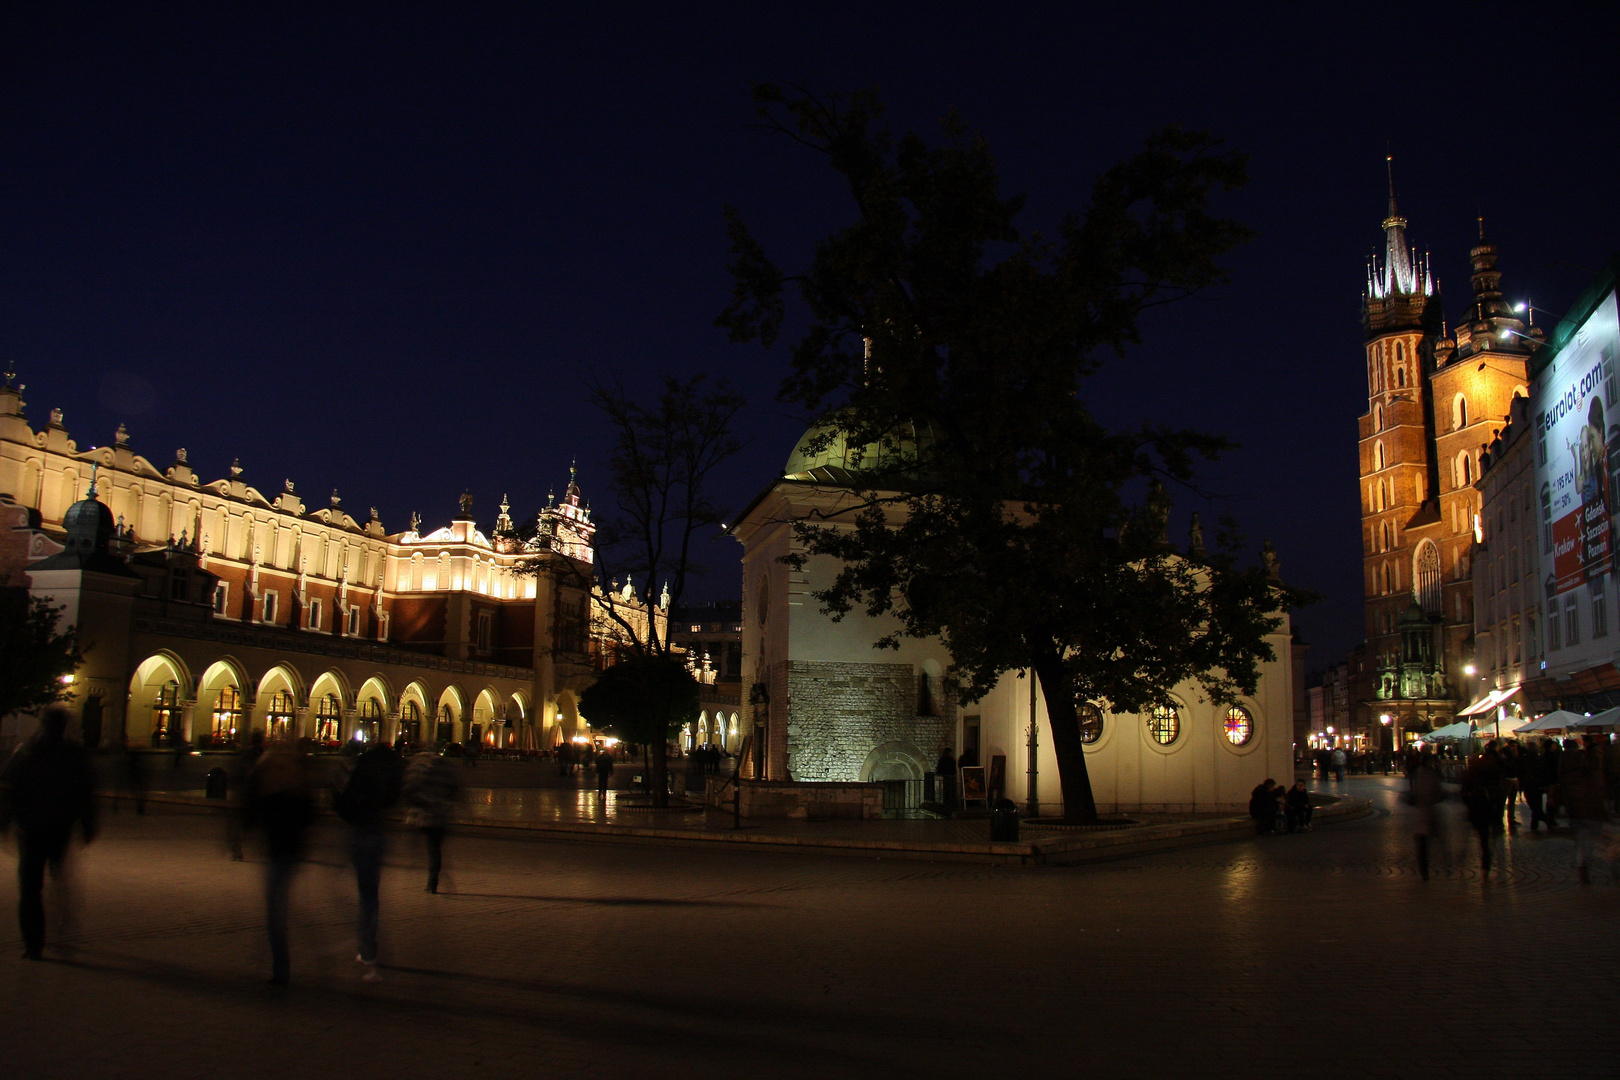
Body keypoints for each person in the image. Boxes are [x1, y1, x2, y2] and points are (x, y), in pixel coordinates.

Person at [0, 706, 98, 960]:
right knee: (56, 876)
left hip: (32, 827)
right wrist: (88, 823)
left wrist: (7, 820)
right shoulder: (72, 753)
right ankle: (60, 924)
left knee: (31, 886)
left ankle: (34, 944)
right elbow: (86, 791)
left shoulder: (28, 751)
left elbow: (11, 788)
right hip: (58, 825)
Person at [243, 740, 314, 984]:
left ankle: (279, 967)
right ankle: (278, 962)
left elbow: (251, 810)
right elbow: (310, 815)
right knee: (277, 905)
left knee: (275, 908)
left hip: (277, 851)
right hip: (292, 851)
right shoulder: (297, 779)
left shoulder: (269, 780)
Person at [333, 741, 403, 979]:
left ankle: (365, 946)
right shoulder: (391, 774)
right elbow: (394, 799)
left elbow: (345, 799)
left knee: (359, 894)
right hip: (376, 834)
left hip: (359, 833)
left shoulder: (363, 768)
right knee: (370, 896)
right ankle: (368, 948)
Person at [402, 749, 460, 894]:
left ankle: (414, 855)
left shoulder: (417, 767)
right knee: (435, 850)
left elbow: (409, 788)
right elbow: (454, 789)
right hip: (439, 815)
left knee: (421, 842)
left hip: (422, 814)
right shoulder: (444, 768)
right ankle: (433, 881)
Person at [1561, 736, 1607, 885]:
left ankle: (1583, 869)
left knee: (1583, 840)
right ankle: (1584, 869)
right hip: (1589, 812)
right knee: (1589, 839)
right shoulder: (1587, 777)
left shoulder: (1566, 773)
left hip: (1577, 811)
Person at [1407, 749, 1443, 880]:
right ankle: (1430, 867)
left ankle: (1424, 869)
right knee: (1427, 841)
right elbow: (1435, 792)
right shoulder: (1429, 774)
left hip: (1422, 813)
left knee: (1423, 842)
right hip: (1427, 813)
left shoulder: (1419, 773)